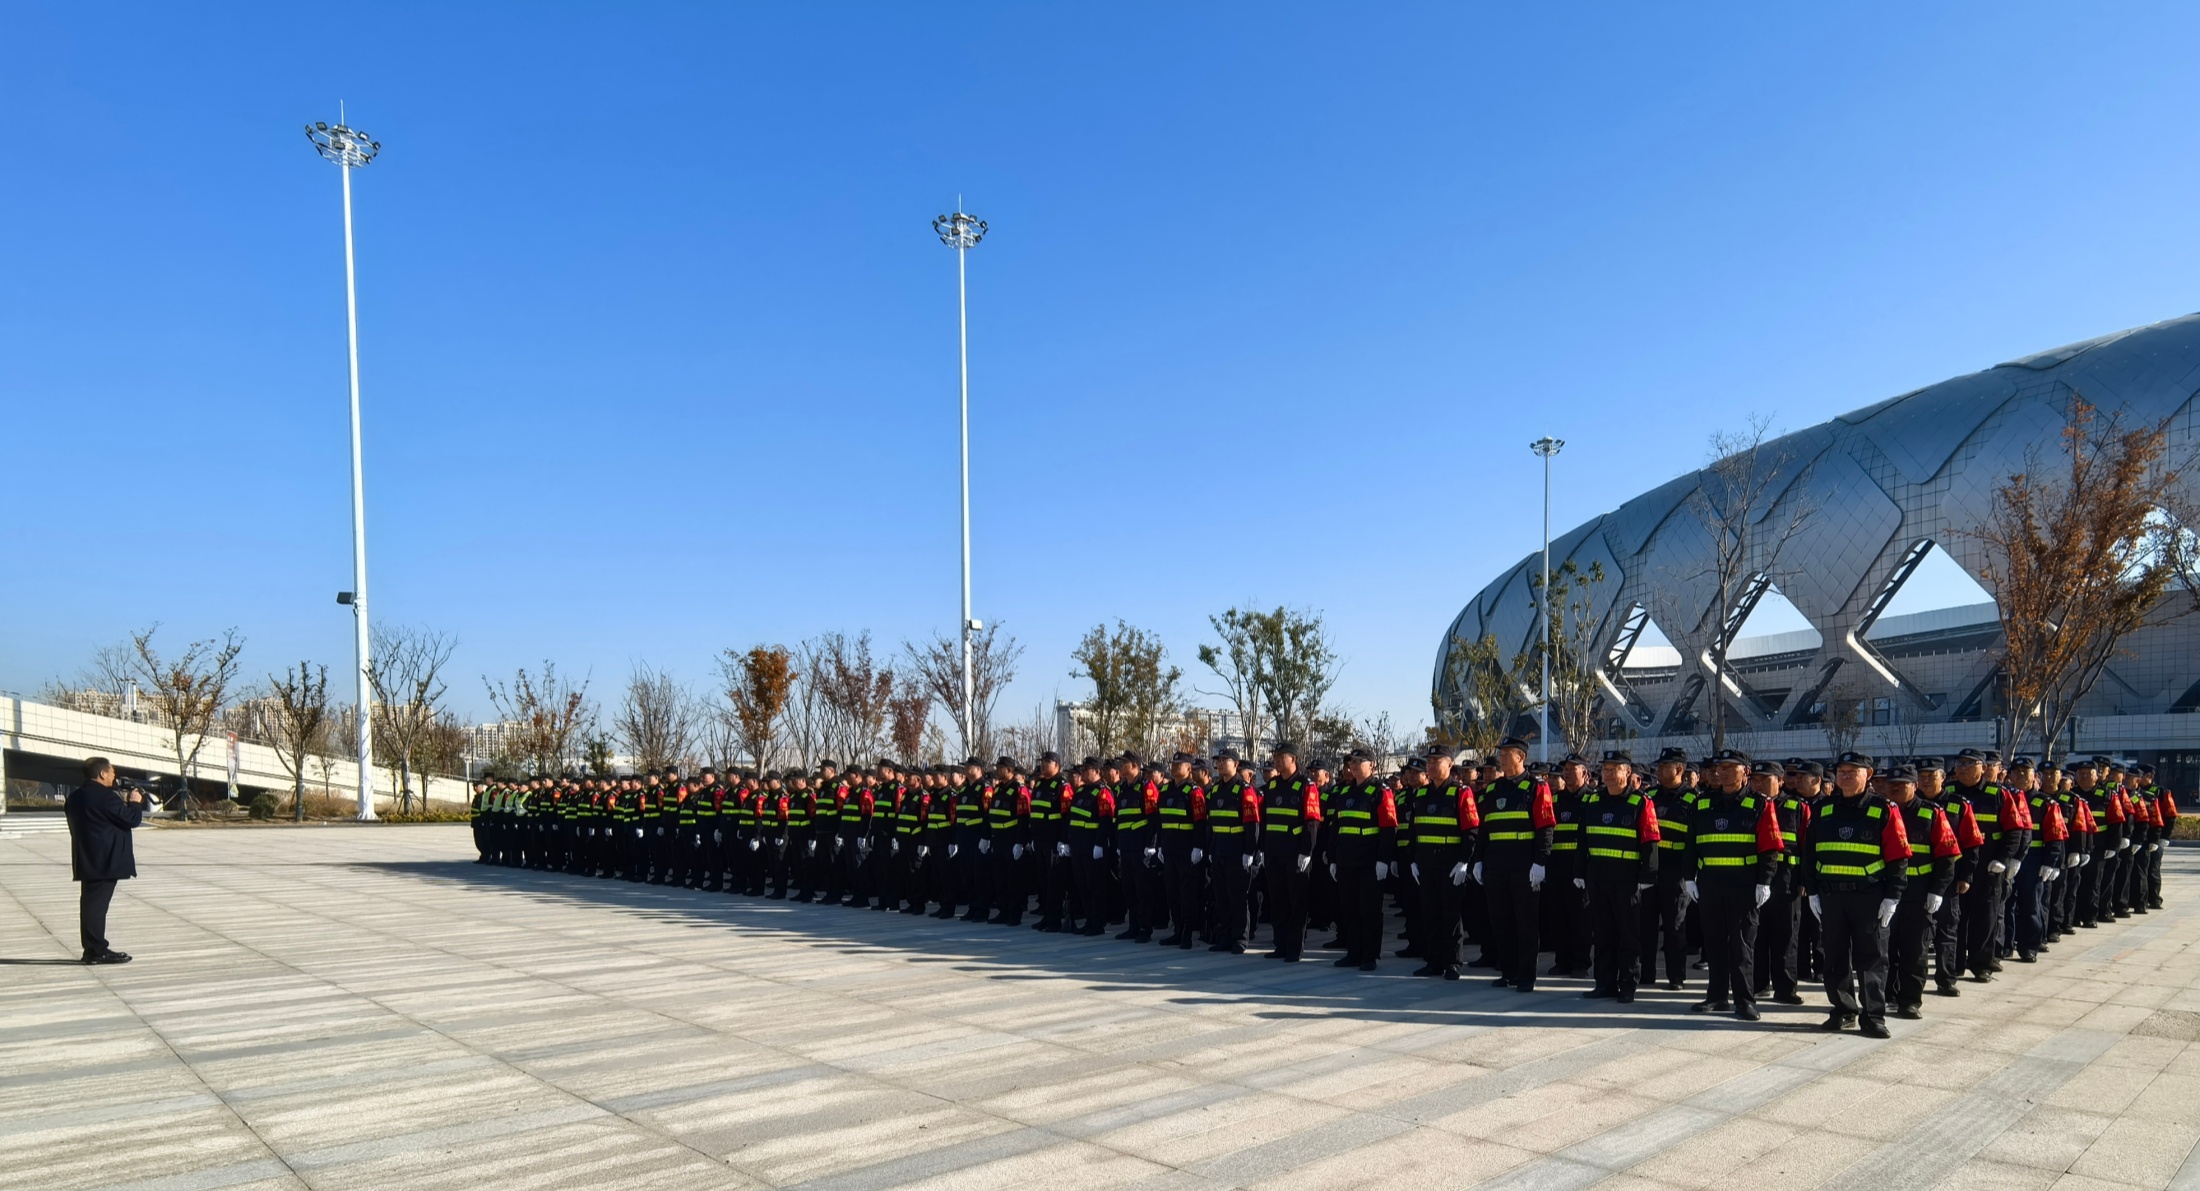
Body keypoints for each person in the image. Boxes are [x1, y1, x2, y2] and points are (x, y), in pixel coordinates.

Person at [1802, 752, 1911, 1039]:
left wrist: (1893, 896)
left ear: (1869, 774)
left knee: (1872, 959)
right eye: (1842, 771)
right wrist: (1812, 892)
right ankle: (1843, 1009)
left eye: (1853, 771)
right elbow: (1809, 854)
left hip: (1869, 897)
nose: (1846, 776)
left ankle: (1873, 1016)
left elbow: (1899, 856)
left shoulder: (1883, 809)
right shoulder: (1823, 809)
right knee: (1834, 957)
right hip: (1831, 897)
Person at [1683, 752, 1784, 1021]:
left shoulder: (1759, 804)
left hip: (1744, 886)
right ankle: (1716, 996)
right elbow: (1691, 843)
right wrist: (1689, 877)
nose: (1722, 772)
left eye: (1730, 767)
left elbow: (1769, 848)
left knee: (1741, 947)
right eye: (1720, 768)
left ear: (1745, 772)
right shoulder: (1703, 803)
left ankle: (1744, 1000)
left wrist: (1764, 881)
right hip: (1710, 885)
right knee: (1714, 943)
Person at [1577, 750, 1660, 1003]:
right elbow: (1582, 840)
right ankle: (1604, 983)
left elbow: (1650, 841)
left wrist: (1648, 875)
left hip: (1627, 880)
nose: (1608, 773)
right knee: (1603, 934)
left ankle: (1627, 984)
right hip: (1598, 878)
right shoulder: (1592, 801)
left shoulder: (1640, 802)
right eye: (1605, 769)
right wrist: (1579, 872)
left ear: (1628, 772)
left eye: (1614, 768)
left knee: (1628, 935)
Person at [66, 756, 146, 964]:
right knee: (96, 907)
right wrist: (134, 803)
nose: (113, 777)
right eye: (111, 773)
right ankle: (96, 950)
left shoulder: (74, 797)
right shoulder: (105, 797)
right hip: (106, 860)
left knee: (91, 905)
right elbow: (131, 819)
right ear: (102, 773)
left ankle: (93, 949)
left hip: (86, 858)